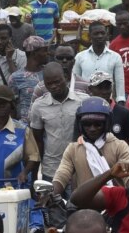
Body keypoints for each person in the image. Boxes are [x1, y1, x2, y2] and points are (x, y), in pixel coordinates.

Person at [52, 97, 129, 197]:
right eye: (87, 124)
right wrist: (51, 193)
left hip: (115, 205)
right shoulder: (73, 149)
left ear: (106, 124)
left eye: (98, 124)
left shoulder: (120, 146)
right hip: (83, 204)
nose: (92, 129)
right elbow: (62, 174)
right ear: (80, 125)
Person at [30, 62, 87, 193]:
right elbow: (37, 141)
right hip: (51, 170)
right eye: (49, 84)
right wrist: (34, 176)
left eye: (57, 82)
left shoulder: (83, 102)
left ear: (65, 78)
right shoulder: (38, 106)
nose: (54, 86)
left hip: (78, 169)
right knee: (53, 211)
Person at [73, 22, 126, 103]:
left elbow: (119, 81)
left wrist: (121, 100)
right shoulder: (80, 57)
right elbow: (76, 82)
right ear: (89, 36)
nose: (100, 36)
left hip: (108, 102)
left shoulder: (115, 57)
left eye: (102, 33)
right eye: (96, 33)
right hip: (85, 101)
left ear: (107, 35)